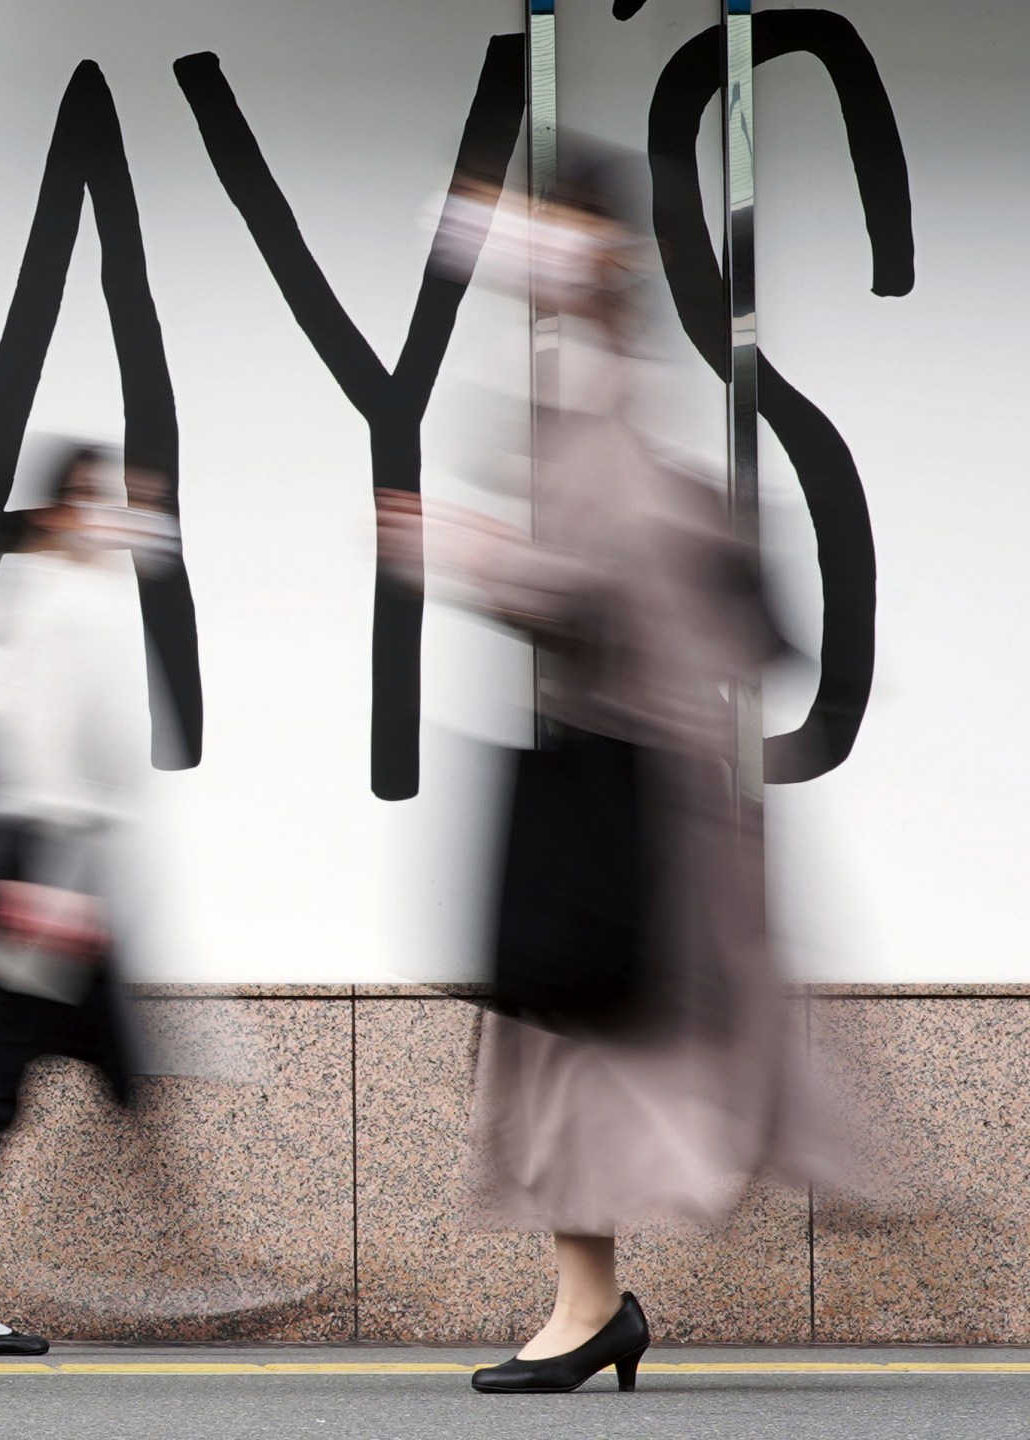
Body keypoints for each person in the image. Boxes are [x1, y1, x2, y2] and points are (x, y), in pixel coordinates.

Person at [380, 146, 818, 1395]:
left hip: (628, 782)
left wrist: (466, 558)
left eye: (538, 228)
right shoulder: (594, 379)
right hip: (625, 771)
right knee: (572, 1042)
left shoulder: (597, 385)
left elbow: (603, 583)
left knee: (575, 1042)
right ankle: (590, 1301)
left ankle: (592, 1307)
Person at [0, 444, 176, 1357]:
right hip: (42, 879)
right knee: (8, 1092)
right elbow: (38, 755)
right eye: (111, 500)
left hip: (51, 878)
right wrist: (37, 898)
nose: (132, 517)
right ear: (65, 510)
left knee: (104, 1078)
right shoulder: (60, 599)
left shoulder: (43, 594)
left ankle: (183, 1258)